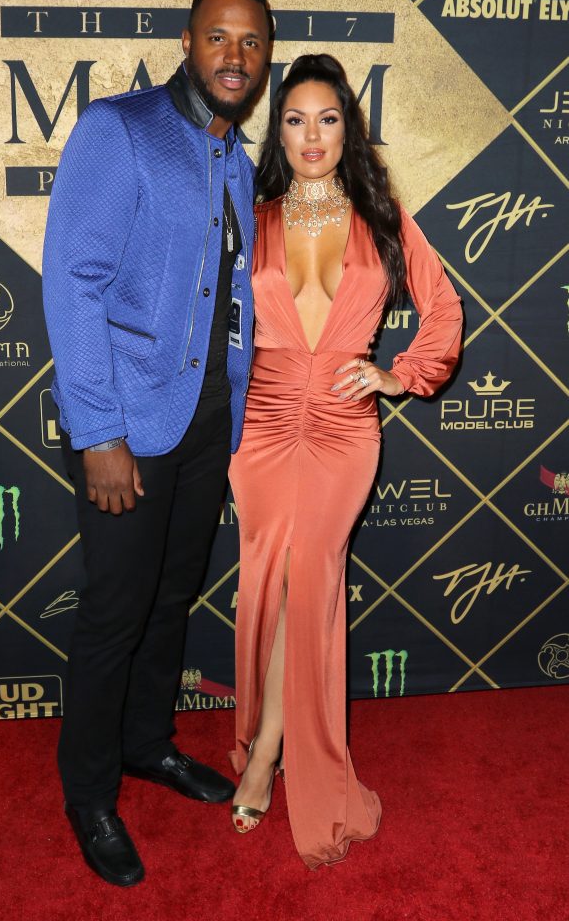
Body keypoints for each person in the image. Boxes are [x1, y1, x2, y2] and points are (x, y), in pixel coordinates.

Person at [42, 0, 272, 887]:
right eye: (219, 36)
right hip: (128, 426)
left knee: (172, 598)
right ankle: (88, 793)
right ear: (186, 40)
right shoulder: (120, 130)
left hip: (208, 420)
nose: (235, 55)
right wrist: (98, 432)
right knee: (112, 614)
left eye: (251, 42)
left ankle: (148, 745)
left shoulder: (237, 158)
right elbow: (73, 283)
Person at [228, 53, 463, 868]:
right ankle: (264, 735)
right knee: (263, 577)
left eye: (327, 118)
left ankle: (270, 758)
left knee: (310, 577)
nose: (311, 136)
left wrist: (401, 376)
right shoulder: (249, 214)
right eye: (294, 119)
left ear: (348, 128)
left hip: (341, 428)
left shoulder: (381, 212)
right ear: (277, 130)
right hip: (259, 424)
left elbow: (442, 305)